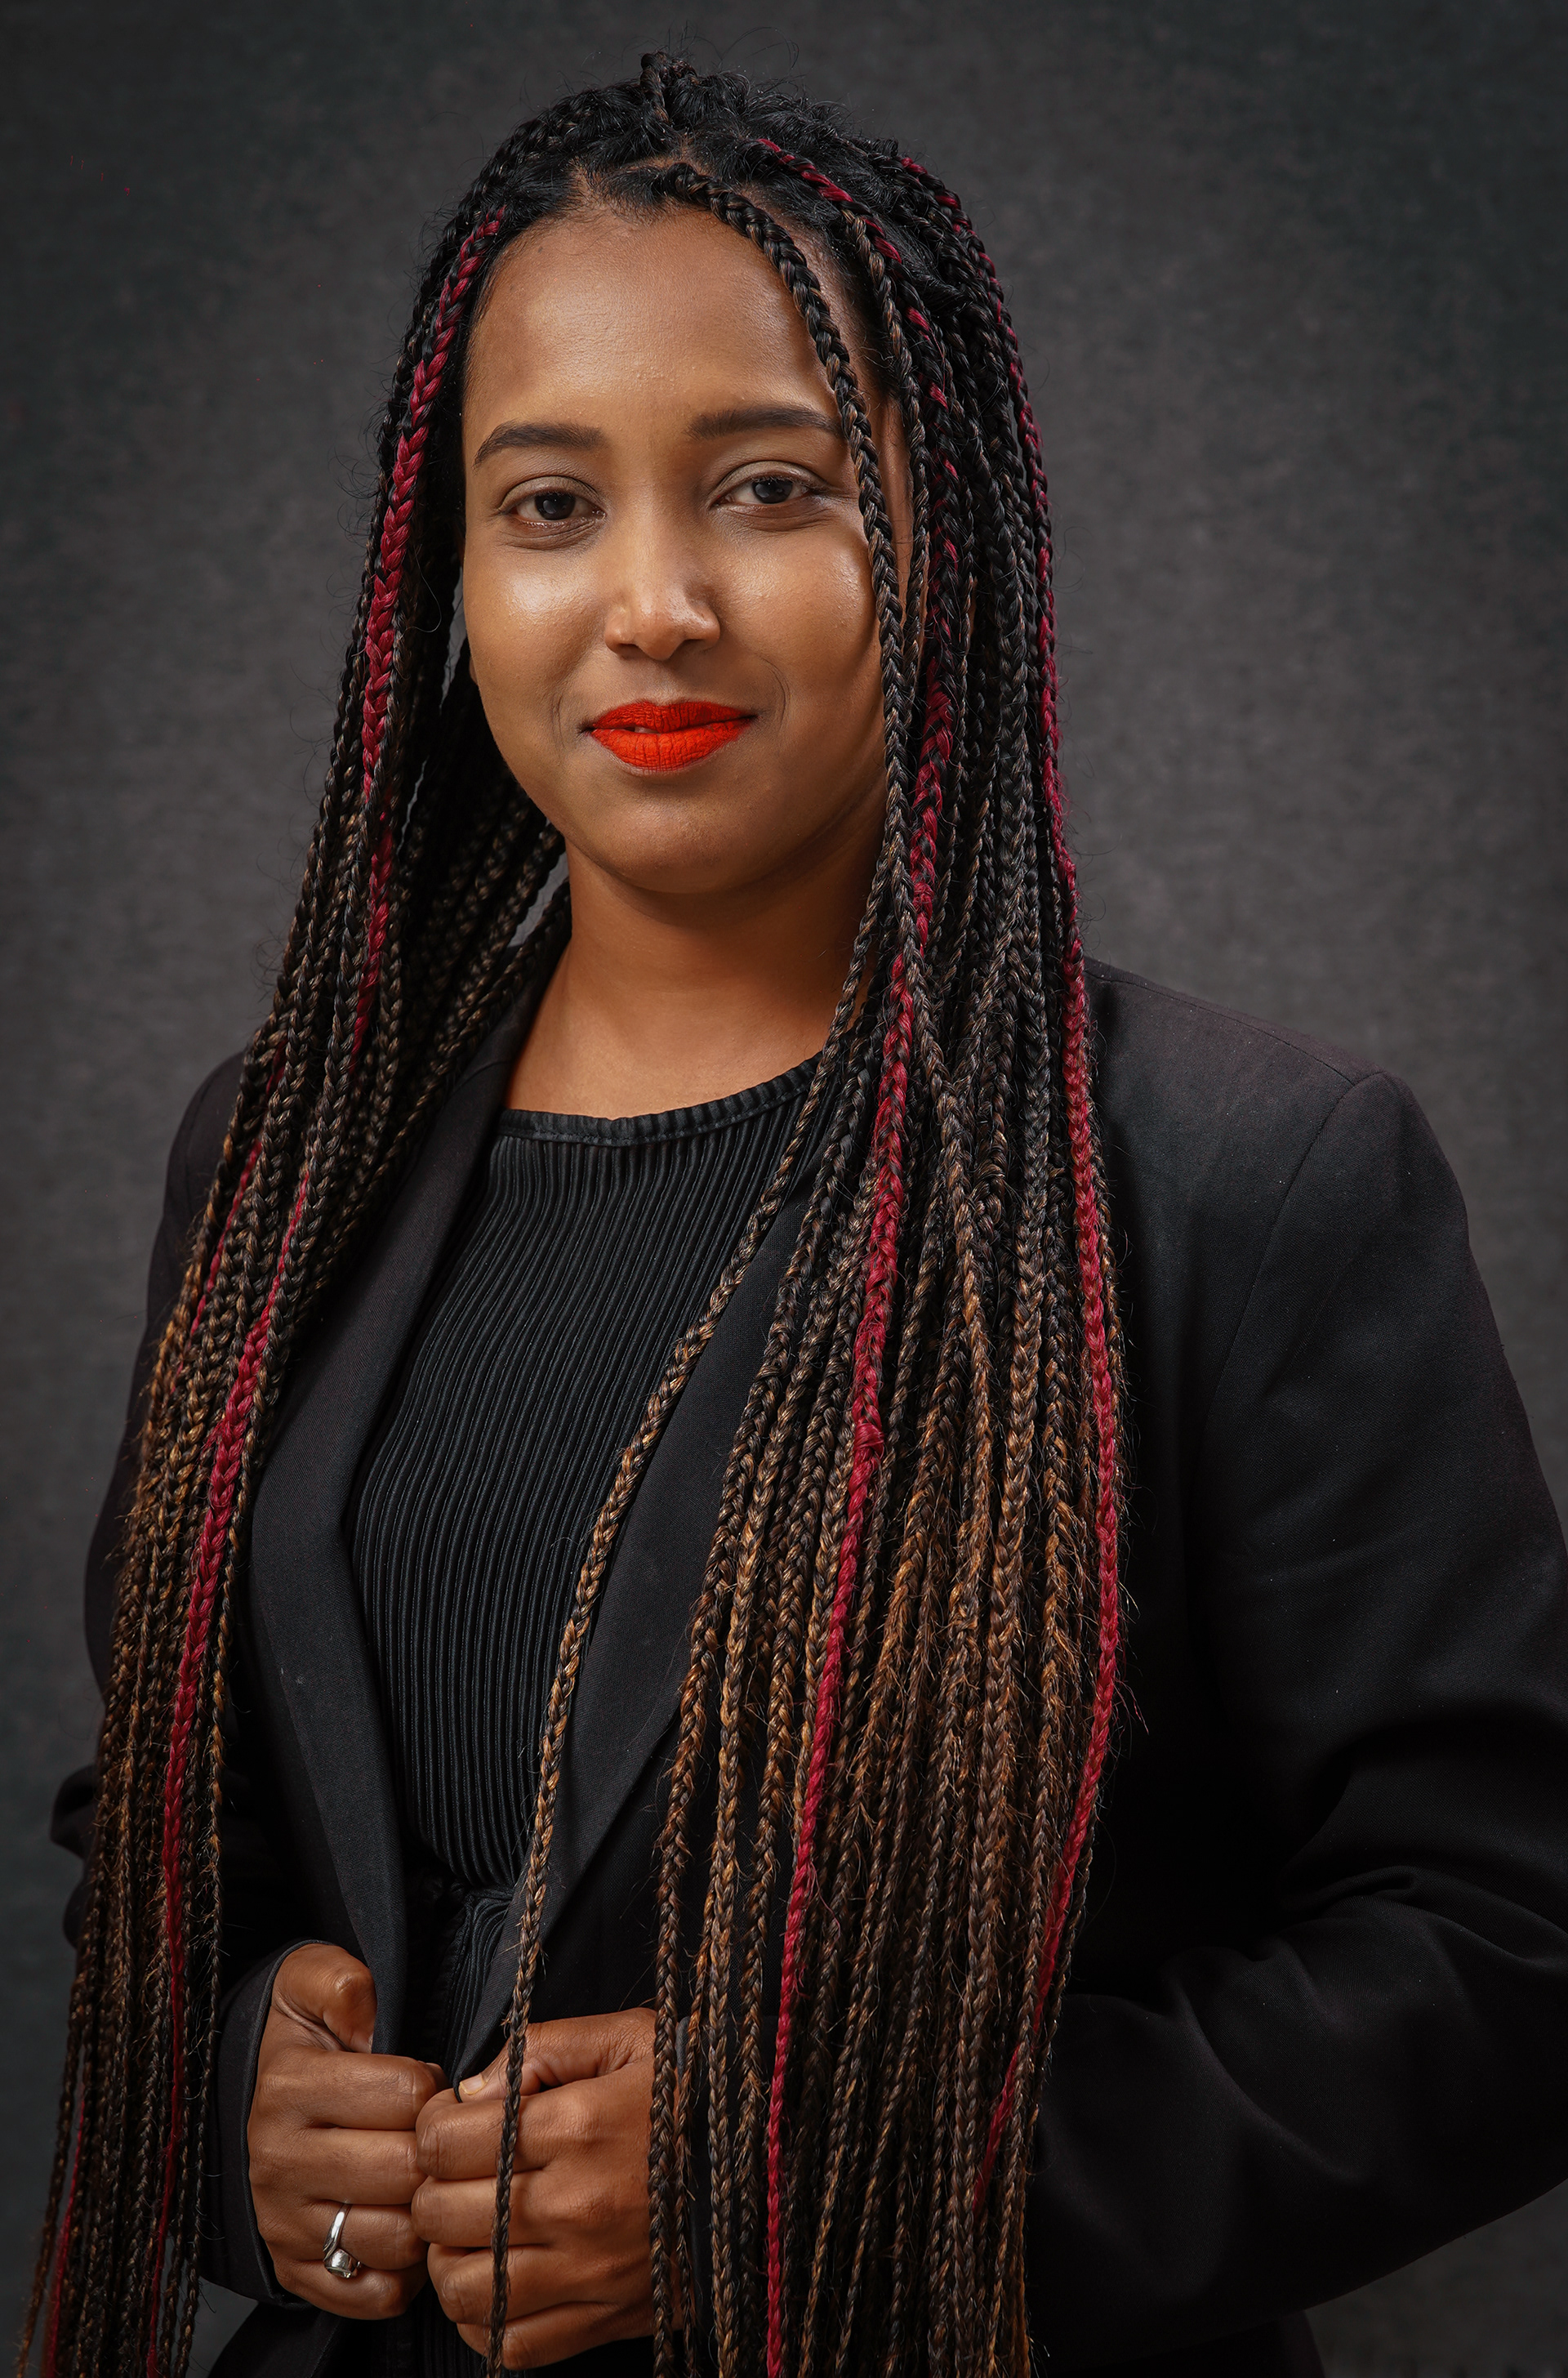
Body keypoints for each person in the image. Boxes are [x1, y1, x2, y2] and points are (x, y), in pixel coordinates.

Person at [25, 52, 1568, 2378]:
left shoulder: (1242, 1179)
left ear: (939, 540)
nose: (652, 603)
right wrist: (235, 2092)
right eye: (551, 504)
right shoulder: (275, 1162)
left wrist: (830, 2184)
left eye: (769, 485)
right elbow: (156, 1826)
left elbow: (1509, 1943)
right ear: (452, 574)